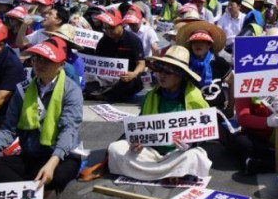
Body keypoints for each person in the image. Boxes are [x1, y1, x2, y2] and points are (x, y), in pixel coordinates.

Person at [0, 37, 84, 199]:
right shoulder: (23, 89)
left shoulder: (71, 91)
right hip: (30, 154)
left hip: (60, 156)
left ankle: (33, 188)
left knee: (59, 173)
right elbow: (8, 128)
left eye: (47, 60)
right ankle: (37, 192)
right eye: (37, 58)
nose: (40, 64)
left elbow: (69, 129)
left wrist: (52, 163)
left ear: (60, 64)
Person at [107, 46, 212, 181]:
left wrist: (191, 144)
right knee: (116, 148)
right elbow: (141, 126)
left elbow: (204, 132)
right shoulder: (151, 95)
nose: (161, 75)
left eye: (168, 72)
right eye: (159, 70)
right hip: (151, 151)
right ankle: (172, 174)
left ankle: (153, 173)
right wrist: (138, 140)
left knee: (196, 156)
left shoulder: (195, 97)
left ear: (180, 75)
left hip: (178, 153)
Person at [175, 19, 233, 113]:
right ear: (190, 44)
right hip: (191, 112)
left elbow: (232, 82)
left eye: (202, 41)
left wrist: (230, 107)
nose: (198, 44)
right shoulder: (185, 63)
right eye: (195, 41)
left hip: (217, 111)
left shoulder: (218, 62)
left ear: (209, 45)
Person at [89, 9, 146, 101]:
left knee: (128, 84)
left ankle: (107, 96)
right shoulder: (103, 41)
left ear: (121, 25)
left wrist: (134, 74)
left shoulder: (133, 40)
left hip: (127, 78)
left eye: (112, 28)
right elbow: (97, 62)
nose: (108, 31)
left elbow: (141, 63)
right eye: (105, 28)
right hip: (107, 79)